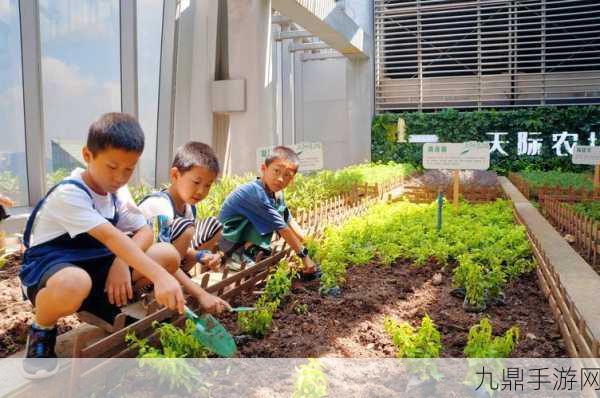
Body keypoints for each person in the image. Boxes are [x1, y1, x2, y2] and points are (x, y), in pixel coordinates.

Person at [18, 113, 223, 379]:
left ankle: (110, 306)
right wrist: (159, 277)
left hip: (97, 266)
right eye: (112, 167)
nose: (119, 177)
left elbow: (145, 230)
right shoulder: (70, 193)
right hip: (51, 271)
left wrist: (120, 262)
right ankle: (42, 331)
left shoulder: (117, 191)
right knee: (74, 283)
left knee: (167, 254)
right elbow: (112, 238)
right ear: (88, 155)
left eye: (129, 169)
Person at [218, 146, 320, 280]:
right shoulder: (255, 193)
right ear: (264, 169)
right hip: (229, 243)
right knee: (258, 272)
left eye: (287, 176)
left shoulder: (277, 193)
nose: (280, 179)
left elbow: (287, 218)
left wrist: (308, 241)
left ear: (292, 179)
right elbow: (282, 228)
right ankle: (234, 258)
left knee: (274, 218)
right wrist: (305, 257)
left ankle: (252, 252)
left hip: (244, 240)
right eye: (276, 171)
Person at [138, 141, 226, 288]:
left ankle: (180, 276)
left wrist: (201, 256)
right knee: (186, 229)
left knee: (213, 225)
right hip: (141, 269)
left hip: (169, 260)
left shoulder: (189, 207)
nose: (201, 191)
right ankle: (158, 286)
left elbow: (182, 249)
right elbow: (159, 252)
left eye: (207, 185)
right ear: (175, 175)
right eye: (196, 182)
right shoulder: (160, 206)